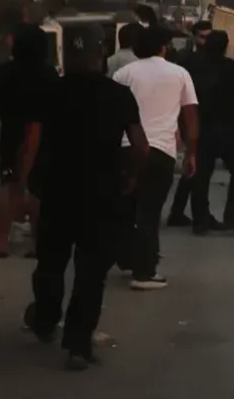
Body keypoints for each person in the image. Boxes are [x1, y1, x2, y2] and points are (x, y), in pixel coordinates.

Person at [24, 27, 147, 371]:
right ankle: (78, 344)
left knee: (50, 262)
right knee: (91, 272)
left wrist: (24, 183)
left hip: (56, 191)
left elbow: (32, 140)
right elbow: (141, 147)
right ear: (100, 55)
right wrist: (132, 176)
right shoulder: (119, 95)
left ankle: (46, 319)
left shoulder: (49, 92)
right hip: (102, 193)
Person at [112, 26, 198, 290]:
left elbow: (111, 111)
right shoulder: (180, 74)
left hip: (126, 149)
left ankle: (127, 259)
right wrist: (191, 153)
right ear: (163, 47)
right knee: (149, 211)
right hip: (161, 151)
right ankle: (145, 272)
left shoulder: (124, 73)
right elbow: (191, 117)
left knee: (125, 209)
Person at [0, 23, 59, 259]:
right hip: (43, 137)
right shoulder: (48, 73)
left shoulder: (4, 72)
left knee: (7, 182)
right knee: (37, 188)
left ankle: (2, 244)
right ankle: (36, 244)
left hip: (11, 134)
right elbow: (59, 104)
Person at [187, 31, 234, 235]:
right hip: (227, 126)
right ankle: (231, 217)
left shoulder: (193, 68)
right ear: (226, 46)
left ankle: (200, 220)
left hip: (202, 127)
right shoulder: (232, 67)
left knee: (200, 175)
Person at [166, 21, 212, 228]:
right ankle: (184, 212)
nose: (205, 41)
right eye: (202, 37)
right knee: (194, 166)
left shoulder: (206, 59)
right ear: (193, 37)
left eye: (208, 37)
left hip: (201, 117)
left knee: (193, 167)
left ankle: (178, 211)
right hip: (187, 116)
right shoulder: (185, 60)